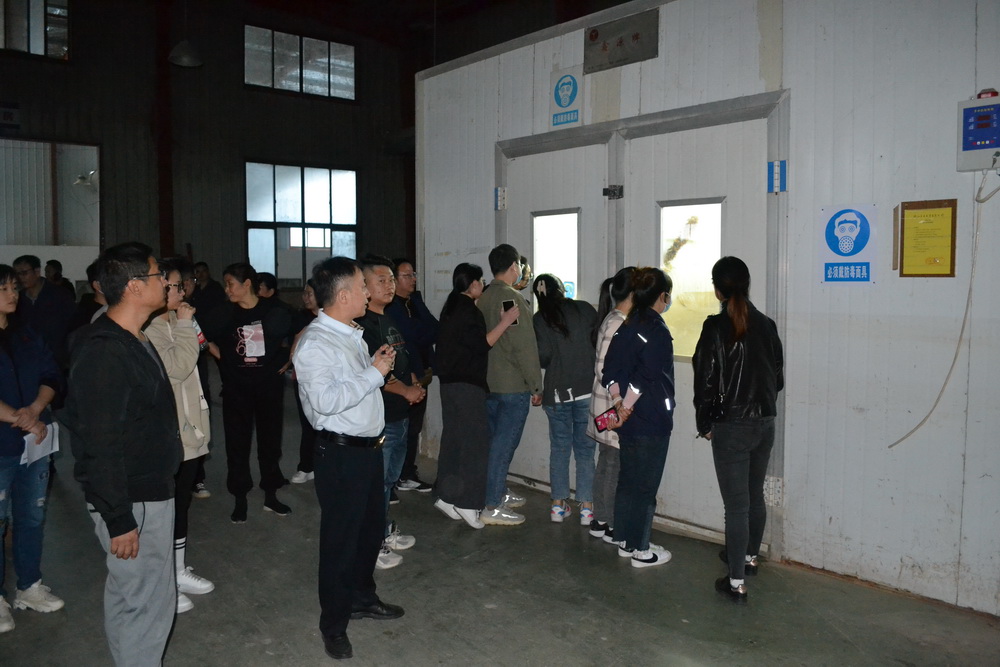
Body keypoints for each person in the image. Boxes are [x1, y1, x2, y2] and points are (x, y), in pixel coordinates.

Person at [64, 242, 182, 665]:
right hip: (134, 499)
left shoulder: (134, 337)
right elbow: (98, 442)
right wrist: (119, 519)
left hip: (144, 491)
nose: (165, 282)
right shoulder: (105, 350)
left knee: (130, 594)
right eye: (157, 275)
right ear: (134, 286)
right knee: (147, 603)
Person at [293, 256, 405, 661]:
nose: (368, 293)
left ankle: (362, 598)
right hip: (341, 455)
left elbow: (354, 387)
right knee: (341, 543)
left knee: (370, 533)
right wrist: (375, 373)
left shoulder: (350, 333)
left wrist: (375, 367)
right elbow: (325, 402)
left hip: (367, 451)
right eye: (361, 287)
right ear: (342, 296)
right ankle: (334, 625)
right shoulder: (316, 343)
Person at [692, 256, 783, 604]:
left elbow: (705, 381)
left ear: (718, 290)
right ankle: (748, 558)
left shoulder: (715, 327)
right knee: (753, 495)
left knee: (737, 507)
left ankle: (736, 583)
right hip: (765, 422)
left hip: (732, 426)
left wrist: (705, 423)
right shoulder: (767, 325)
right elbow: (778, 378)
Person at [144, 259, 214, 614]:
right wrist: (186, 324)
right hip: (169, 432)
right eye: (172, 285)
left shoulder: (176, 321)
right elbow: (180, 367)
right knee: (165, 507)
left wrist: (186, 324)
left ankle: (177, 569)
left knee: (182, 502)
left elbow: (199, 352)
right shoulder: (151, 328)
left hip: (190, 427)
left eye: (180, 285)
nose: (180, 291)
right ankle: (162, 581)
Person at [201, 262, 293, 522]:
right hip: (236, 389)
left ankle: (271, 494)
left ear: (247, 284)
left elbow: (301, 327)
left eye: (231, 283)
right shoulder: (223, 313)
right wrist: (223, 358)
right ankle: (240, 497)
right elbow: (200, 334)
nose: (227, 289)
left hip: (268, 389)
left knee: (270, 443)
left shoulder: (273, 310)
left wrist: (290, 357)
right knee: (237, 445)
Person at [0, 264, 65, 634]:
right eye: (4, 289)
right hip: (4, 443)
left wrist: (36, 410)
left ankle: (29, 586)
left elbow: (51, 374)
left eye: (14, 287)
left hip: (34, 442)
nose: (13, 294)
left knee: (31, 517)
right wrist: (21, 419)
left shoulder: (26, 333)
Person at [434, 263, 520, 529]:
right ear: (472, 284)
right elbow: (482, 344)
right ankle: (468, 502)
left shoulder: (450, 308)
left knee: (454, 440)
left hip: (448, 385)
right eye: (480, 281)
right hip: (467, 385)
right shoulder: (469, 311)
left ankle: (447, 497)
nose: (482, 284)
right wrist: (505, 322)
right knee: (475, 444)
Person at [601, 267, 675, 569]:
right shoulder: (656, 329)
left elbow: (610, 370)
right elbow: (647, 374)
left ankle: (625, 540)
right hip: (650, 419)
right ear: (662, 296)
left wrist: (619, 403)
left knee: (628, 481)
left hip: (628, 420)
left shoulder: (626, 325)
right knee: (645, 488)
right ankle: (641, 551)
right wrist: (627, 405)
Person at [355, 255, 423, 569]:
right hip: (380, 416)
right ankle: (372, 543)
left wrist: (413, 382)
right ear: (364, 286)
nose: (389, 285)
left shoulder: (389, 318)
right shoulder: (363, 326)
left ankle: (382, 530)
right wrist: (406, 390)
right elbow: (375, 370)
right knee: (377, 483)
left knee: (389, 480)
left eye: (391, 280)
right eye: (381, 280)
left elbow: (401, 358)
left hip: (399, 414)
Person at [476, 244, 543, 525]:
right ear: (514, 266)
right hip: (512, 386)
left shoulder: (482, 297)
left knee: (494, 444)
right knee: (503, 447)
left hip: (488, 383)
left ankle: (497, 491)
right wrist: (536, 385)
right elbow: (523, 346)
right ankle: (491, 505)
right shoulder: (511, 299)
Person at [531, 273, 598, 524]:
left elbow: (543, 357)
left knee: (559, 449)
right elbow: (598, 343)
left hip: (557, 394)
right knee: (585, 451)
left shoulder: (540, 318)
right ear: (562, 289)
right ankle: (587, 508)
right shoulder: (584, 309)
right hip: (586, 390)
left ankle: (558, 506)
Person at [585, 268, 635, 543]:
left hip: (606, 405)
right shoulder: (617, 322)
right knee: (612, 464)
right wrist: (620, 401)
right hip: (610, 407)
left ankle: (601, 519)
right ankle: (609, 522)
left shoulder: (615, 318)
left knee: (607, 462)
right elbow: (604, 367)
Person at [386, 257, 438, 493]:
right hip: (404, 376)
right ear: (394, 280)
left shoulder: (415, 301)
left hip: (423, 373)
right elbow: (410, 335)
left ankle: (407, 473)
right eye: (407, 275)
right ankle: (391, 479)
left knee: (414, 427)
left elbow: (434, 329)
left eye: (413, 274)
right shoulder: (391, 307)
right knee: (398, 430)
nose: (413, 279)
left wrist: (422, 330)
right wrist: (422, 332)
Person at [13, 255, 76, 369]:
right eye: (17, 274)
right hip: (29, 361)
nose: (20, 278)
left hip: (58, 360)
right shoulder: (18, 300)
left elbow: (74, 327)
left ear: (37, 272)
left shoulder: (60, 295)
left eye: (24, 273)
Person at [289, 279, 320, 484]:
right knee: (308, 422)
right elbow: (293, 350)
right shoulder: (301, 318)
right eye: (304, 293)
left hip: (325, 376)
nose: (306, 297)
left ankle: (319, 465)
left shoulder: (333, 317)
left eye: (310, 293)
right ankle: (306, 466)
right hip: (303, 378)